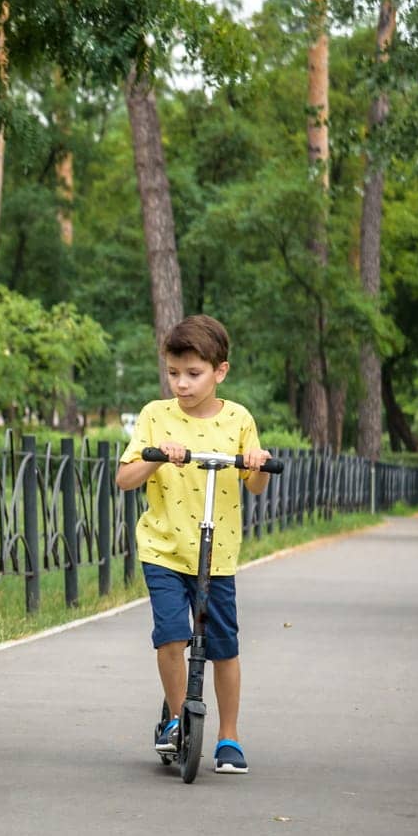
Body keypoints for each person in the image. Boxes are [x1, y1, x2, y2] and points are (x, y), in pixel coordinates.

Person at [115, 315, 272, 774]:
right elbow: (125, 478)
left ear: (220, 371)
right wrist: (157, 454)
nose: (181, 384)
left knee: (224, 645)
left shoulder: (239, 419)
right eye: (173, 373)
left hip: (217, 554)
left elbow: (257, 485)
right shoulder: (154, 415)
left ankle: (229, 736)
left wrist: (258, 461)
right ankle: (178, 717)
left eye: (193, 374)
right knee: (171, 635)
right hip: (163, 548)